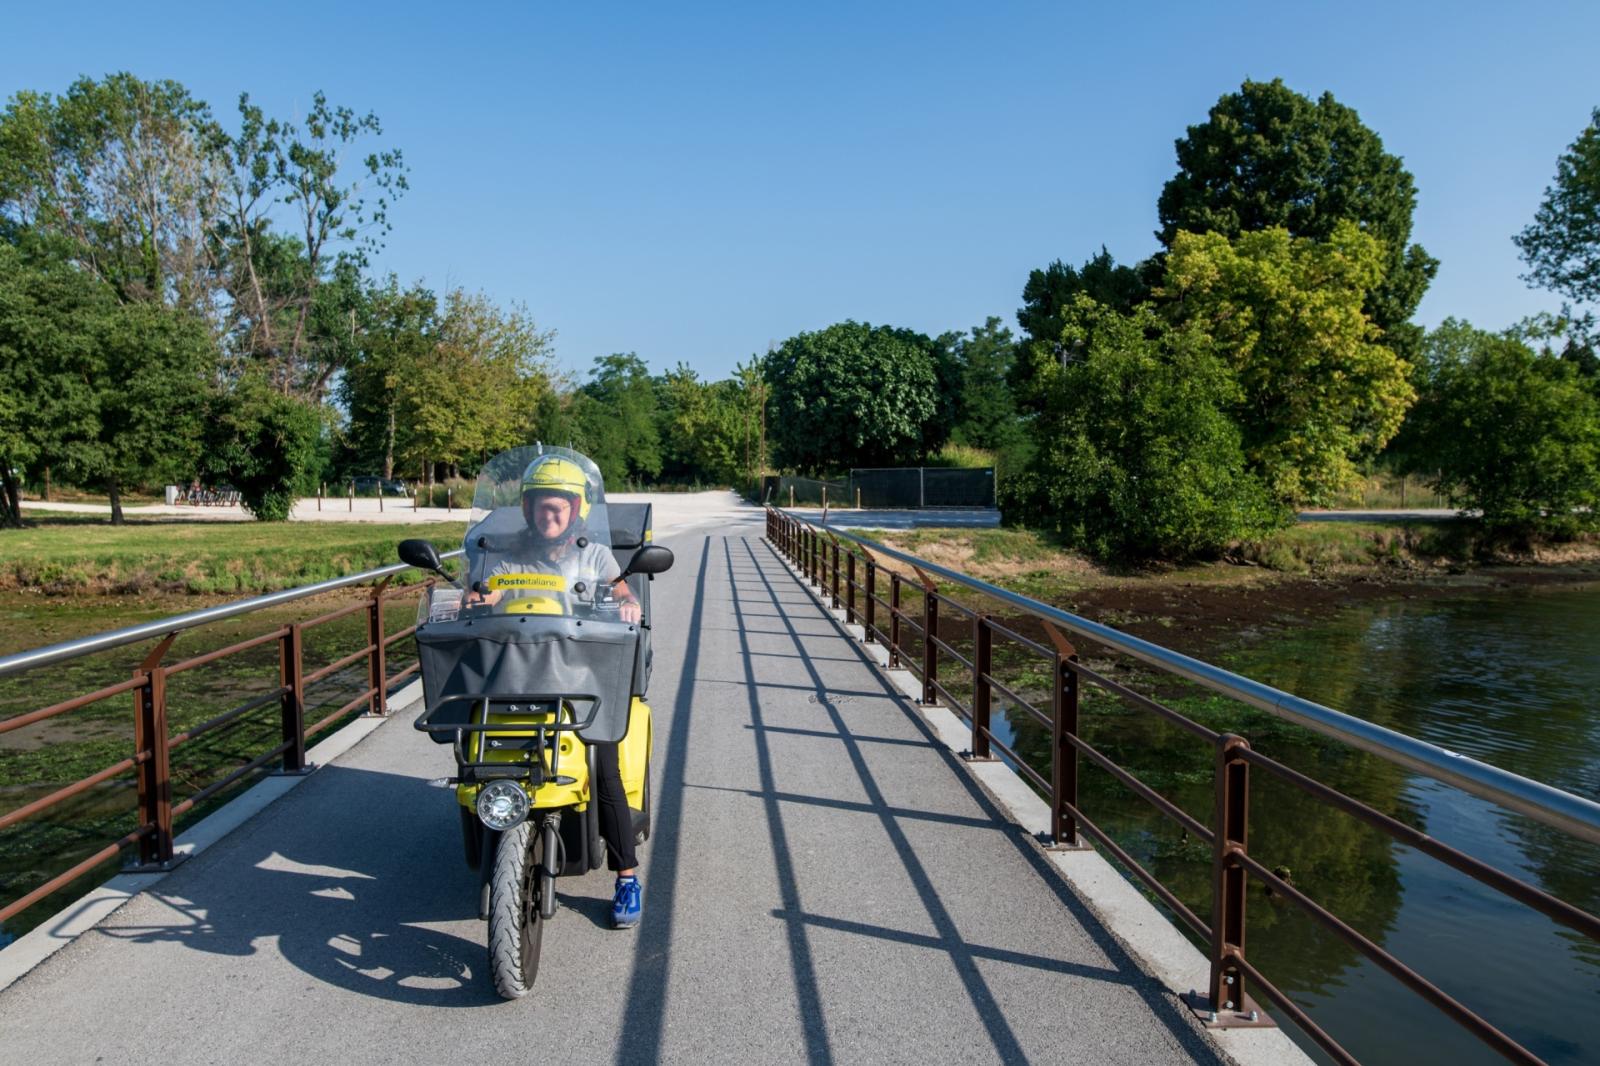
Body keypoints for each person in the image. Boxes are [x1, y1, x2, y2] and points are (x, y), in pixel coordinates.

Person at [466, 455, 645, 928]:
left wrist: (627, 604)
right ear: (526, 509)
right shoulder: (510, 556)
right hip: (518, 674)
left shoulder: (594, 555)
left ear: (576, 510)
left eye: (557, 507)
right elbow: (488, 591)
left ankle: (626, 876)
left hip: (579, 677)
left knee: (603, 765)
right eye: (539, 506)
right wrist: (475, 597)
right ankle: (490, 834)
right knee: (478, 746)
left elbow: (622, 592)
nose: (547, 516)